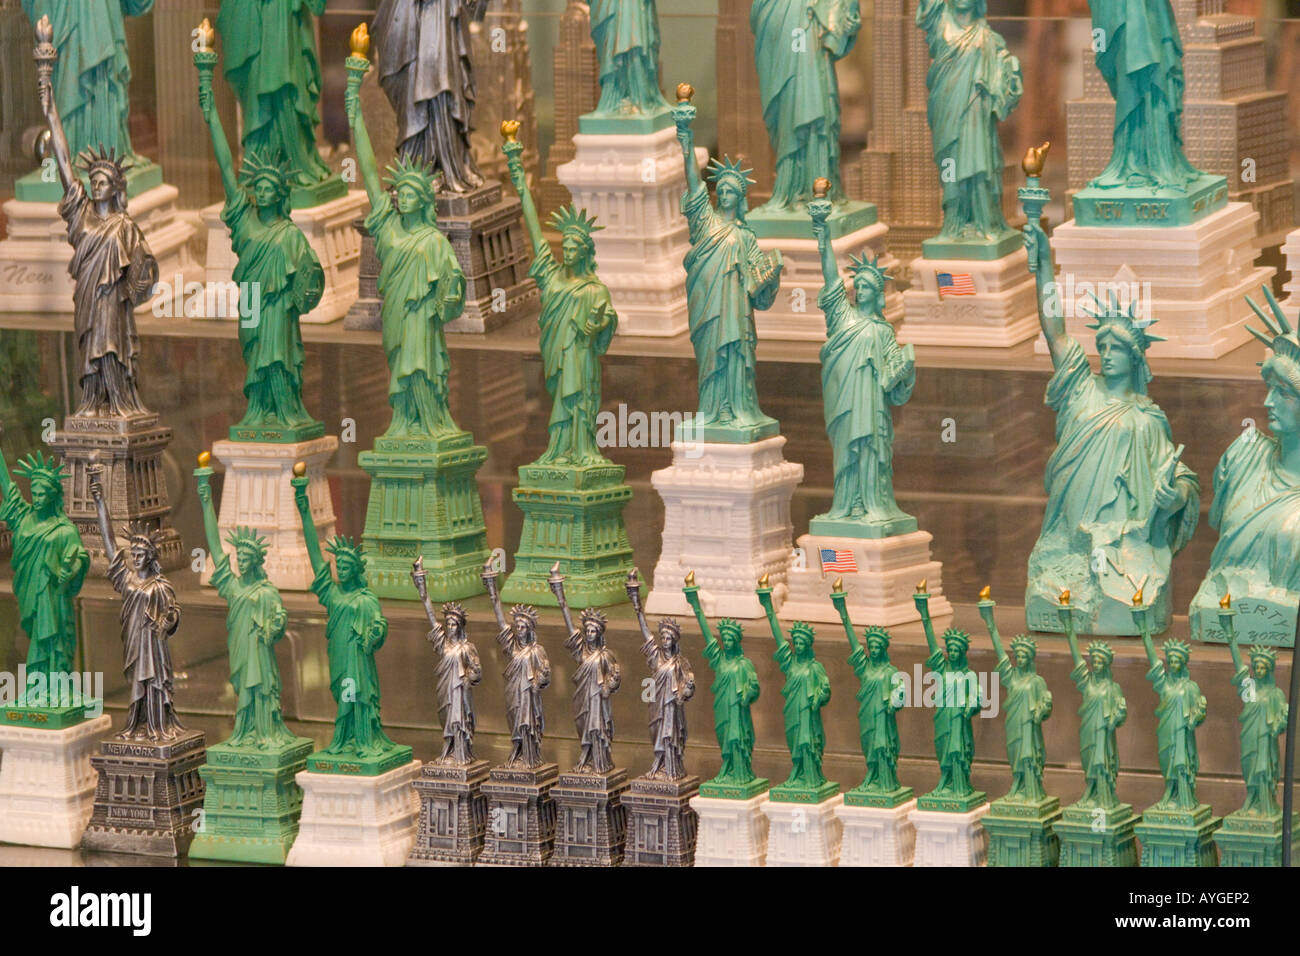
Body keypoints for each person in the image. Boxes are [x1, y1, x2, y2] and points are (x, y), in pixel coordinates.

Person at [1023, 215, 1198, 631]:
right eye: (1102, 345)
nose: (1107, 353)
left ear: (1136, 356)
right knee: (1070, 555)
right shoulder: (1082, 387)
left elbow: (1182, 480)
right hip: (1072, 532)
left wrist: (1174, 495)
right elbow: (1054, 331)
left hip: (1123, 539)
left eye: (1118, 347)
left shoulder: (1147, 418)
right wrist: (1045, 267)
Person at [37, 27, 156, 418]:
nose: (96, 184)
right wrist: (47, 95)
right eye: (94, 181)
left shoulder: (125, 227)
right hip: (89, 303)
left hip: (115, 309)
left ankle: (118, 402)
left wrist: (140, 284)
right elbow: (63, 157)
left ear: (116, 186)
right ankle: (93, 404)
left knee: (113, 352)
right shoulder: (81, 213)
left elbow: (146, 272)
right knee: (90, 351)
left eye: (103, 181)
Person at [200, 72, 323, 434]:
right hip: (252, 300)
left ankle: (286, 411)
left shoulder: (290, 236)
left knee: (278, 358)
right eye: (261, 186)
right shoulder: (244, 221)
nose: (265, 192)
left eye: (272, 187)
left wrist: (305, 289)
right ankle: (258, 410)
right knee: (254, 353)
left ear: (281, 193)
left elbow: (310, 278)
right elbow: (226, 167)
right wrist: (211, 115)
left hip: (279, 309)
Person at [346, 82, 466, 437]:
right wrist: (355, 115)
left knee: (422, 368)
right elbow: (369, 173)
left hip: (424, 324)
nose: (402, 198)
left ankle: (430, 422)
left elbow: (453, 286)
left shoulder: (434, 243)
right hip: (397, 317)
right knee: (400, 366)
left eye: (411, 193)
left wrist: (449, 296)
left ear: (425, 201)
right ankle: (404, 423)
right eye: (400, 193)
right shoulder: (388, 230)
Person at [504, 130, 616, 464]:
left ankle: (583, 450)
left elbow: (607, 320)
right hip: (555, 356)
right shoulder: (551, 279)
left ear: (584, 252)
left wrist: (598, 323)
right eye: (564, 246)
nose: (566, 252)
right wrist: (518, 176)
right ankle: (559, 450)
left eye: (573, 248)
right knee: (557, 401)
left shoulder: (595, 290)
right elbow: (534, 231)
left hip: (581, 357)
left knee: (579, 399)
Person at [673, 96, 781, 435]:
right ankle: (711, 412)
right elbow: (693, 182)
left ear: (742, 197)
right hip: (709, 309)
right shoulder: (705, 222)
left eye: (734, 190)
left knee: (738, 356)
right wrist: (685, 137)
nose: (727, 193)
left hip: (736, 313)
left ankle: (740, 410)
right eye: (723, 188)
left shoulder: (747, 237)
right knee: (710, 359)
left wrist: (769, 278)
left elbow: (758, 289)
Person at [810, 191, 915, 531]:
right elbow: (830, 278)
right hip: (844, 402)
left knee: (871, 449)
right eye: (860, 284)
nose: (862, 289)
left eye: (869, 285)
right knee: (845, 452)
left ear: (879, 292)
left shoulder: (883, 331)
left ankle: (873, 504)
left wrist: (903, 372)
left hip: (871, 408)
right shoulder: (843, 317)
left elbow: (894, 384)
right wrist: (823, 235)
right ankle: (845, 505)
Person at [294, 472, 398, 758]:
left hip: (359, 660)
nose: (340, 567)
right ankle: (345, 741)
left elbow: (378, 624)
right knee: (344, 692)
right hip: (340, 654)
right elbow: (316, 558)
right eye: (338, 563)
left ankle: (362, 740)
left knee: (357, 695)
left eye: (345, 564)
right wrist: (304, 510)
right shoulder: (333, 595)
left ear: (357, 568)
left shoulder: (367, 599)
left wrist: (377, 632)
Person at [196, 466, 294, 748]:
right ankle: (246, 732)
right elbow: (215, 546)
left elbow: (279, 618)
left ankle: (266, 732)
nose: (241, 560)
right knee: (243, 688)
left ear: (257, 560)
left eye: (246, 556)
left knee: (262, 688)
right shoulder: (233, 586)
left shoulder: (267, 591)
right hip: (240, 646)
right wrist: (205, 501)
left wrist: (275, 627)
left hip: (260, 651)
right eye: (239, 555)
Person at [916, 0, 1022, 242]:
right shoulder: (938, 21)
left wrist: (1011, 72)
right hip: (945, 105)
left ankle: (985, 222)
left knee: (978, 159)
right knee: (949, 161)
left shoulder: (989, 37)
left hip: (976, 107)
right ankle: (953, 223)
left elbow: (1007, 71)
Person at [91, 467, 183, 740]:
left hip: (154, 645)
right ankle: (138, 726)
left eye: (142, 553)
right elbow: (109, 544)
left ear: (151, 556)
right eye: (134, 553)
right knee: (137, 685)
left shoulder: (161, 585)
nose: (137, 557)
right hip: (134, 643)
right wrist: (99, 502)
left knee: (155, 684)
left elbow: (174, 611)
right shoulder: (127, 580)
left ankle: (158, 727)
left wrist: (168, 622)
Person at [750, 0, 861, 210]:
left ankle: (820, 189)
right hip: (781, 16)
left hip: (807, 20)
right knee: (788, 105)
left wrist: (847, 13)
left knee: (815, 104)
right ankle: (790, 190)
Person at [216, 0, 334, 191]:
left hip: (283, 17)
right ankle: (261, 161)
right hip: (256, 16)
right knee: (261, 88)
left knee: (287, 84)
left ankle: (294, 158)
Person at [373, 0, 488, 194]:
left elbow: (476, 10)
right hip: (408, 14)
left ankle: (452, 166)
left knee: (445, 84)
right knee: (416, 86)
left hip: (443, 17)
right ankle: (418, 168)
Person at [0, 447, 88, 695]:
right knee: (37, 637)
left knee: (54, 639)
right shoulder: (24, 518)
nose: (37, 498)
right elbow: (7, 486)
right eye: (34, 493)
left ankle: (58, 689)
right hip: (31, 592)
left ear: (53, 496)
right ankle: (38, 688)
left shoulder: (65, 529)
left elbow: (79, 557)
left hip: (54, 595)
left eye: (42, 494)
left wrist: (69, 571)